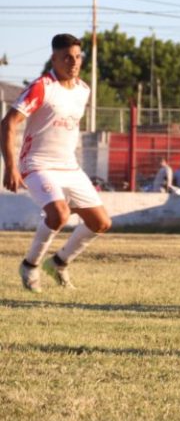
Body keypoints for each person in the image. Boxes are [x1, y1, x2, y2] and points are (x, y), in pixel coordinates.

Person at [1, 33, 112, 292]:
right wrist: (10, 166)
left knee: (101, 223)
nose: (73, 62)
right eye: (66, 57)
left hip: (69, 167)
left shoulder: (84, 90)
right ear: (54, 58)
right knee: (59, 214)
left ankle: (59, 263)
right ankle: (30, 266)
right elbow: (8, 123)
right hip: (37, 164)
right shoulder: (42, 87)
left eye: (77, 57)